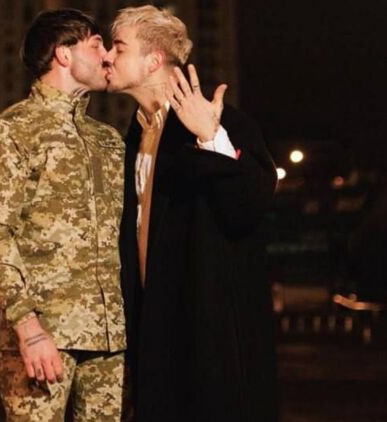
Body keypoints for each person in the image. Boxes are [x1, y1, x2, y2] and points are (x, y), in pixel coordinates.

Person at [103, 5, 279, 421]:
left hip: (208, 344)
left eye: (119, 47)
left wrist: (211, 137)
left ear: (153, 60)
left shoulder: (222, 120)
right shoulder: (137, 135)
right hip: (156, 338)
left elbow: (249, 207)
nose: (107, 56)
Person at [0, 9, 126, 422]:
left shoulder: (108, 141)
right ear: (64, 54)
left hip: (109, 342)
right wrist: (28, 327)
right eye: (97, 45)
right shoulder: (8, 131)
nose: (108, 55)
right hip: (44, 336)